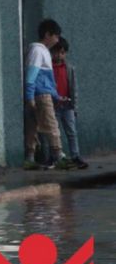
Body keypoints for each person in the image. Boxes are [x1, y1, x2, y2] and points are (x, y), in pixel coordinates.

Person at [23, 19, 74, 170]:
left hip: (42, 93)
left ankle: (30, 158)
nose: (57, 40)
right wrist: (30, 96)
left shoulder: (43, 51)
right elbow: (31, 75)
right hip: (41, 95)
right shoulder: (38, 50)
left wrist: (57, 96)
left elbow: (46, 79)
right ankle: (58, 156)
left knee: (33, 127)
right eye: (56, 36)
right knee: (52, 124)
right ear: (47, 34)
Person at [51, 37, 88, 169]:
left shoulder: (69, 68)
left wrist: (74, 106)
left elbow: (74, 88)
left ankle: (75, 156)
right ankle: (55, 157)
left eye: (62, 52)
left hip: (67, 105)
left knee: (72, 132)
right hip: (53, 105)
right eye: (57, 52)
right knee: (54, 132)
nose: (59, 55)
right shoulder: (48, 67)